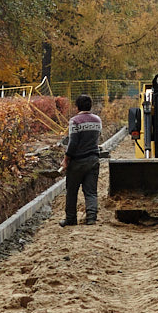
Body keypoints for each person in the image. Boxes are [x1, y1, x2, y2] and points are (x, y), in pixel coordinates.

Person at [61, 94, 102, 226]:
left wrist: (66, 159)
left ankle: (71, 219)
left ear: (77, 107)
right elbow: (96, 138)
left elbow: (73, 142)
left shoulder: (75, 121)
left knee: (72, 191)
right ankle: (91, 218)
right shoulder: (97, 120)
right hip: (93, 160)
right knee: (91, 191)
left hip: (77, 162)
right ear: (90, 106)